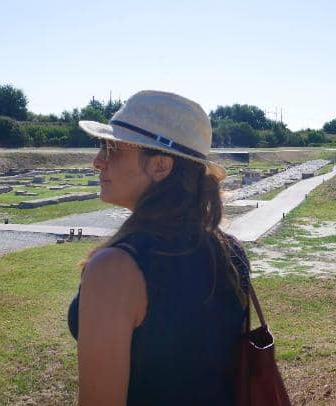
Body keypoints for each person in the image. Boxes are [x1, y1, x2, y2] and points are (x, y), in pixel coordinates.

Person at [67, 90, 251, 405]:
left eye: (111, 148)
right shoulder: (229, 250)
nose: (98, 162)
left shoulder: (116, 269)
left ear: (161, 167)